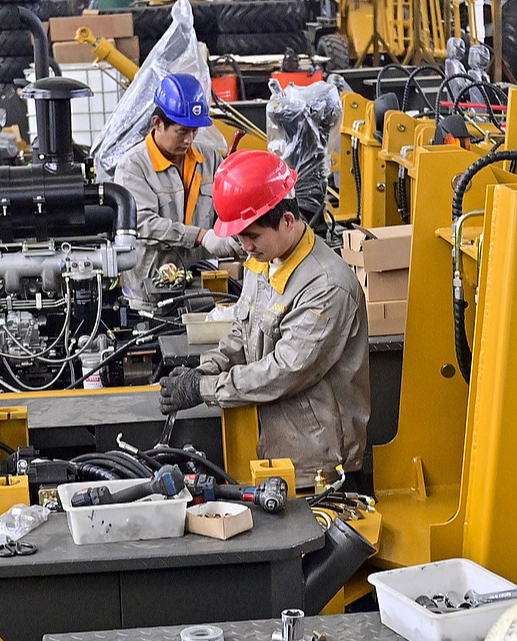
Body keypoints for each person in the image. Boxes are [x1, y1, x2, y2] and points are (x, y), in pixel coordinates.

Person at [155, 149, 369, 483]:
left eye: (252, 236)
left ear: (287, 221)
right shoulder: (266, 259)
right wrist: (203, 369)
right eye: (239, 237)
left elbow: (284, 371)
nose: (244, 246)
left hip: (317, 463)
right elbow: (242, 330)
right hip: (275, 444)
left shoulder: (326, 287)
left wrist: (204, 389)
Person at [113, 72, 231, 308]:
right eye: (182, 131)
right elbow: (143, 224)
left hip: (203, 288)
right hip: (151, 295)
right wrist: (200, 236)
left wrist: (235, 236)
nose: (189, 139)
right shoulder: (133, 167)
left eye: (194, 131)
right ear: (157, 124)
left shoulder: (209, 159)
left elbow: (227, 209)